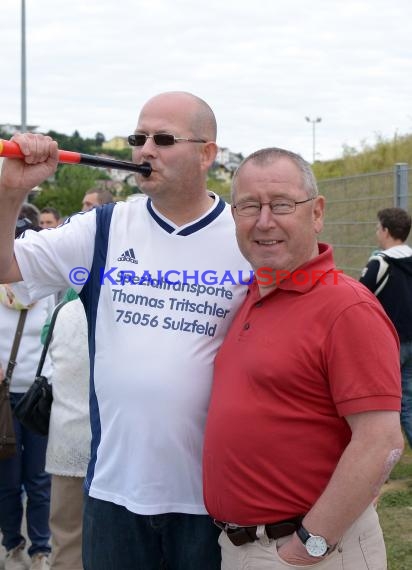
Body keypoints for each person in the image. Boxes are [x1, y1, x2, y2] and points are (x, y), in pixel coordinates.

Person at [0, 91, 250, 570]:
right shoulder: (104, 227)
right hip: (114, 494)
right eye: (138, 138)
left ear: (207, 153)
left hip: (213, 499)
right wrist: (12, 191)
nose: (144, 150)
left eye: (163, 138)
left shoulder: (245, 237)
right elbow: (7, 266)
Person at [202, 147, 404, 569]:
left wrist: (310, 545)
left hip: (308, 551)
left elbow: (381, 440)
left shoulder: (346, 308)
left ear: (316, 213)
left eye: (281, 205)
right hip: (242, 547)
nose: (263, 221)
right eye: (249, 206)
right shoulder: (248, 297)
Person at [0, 210, 54, 570]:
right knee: (6, 480)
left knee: (38, 479)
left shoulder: (47, 289)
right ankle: (12, 544)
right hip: (2, 398)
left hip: (37, 397)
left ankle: (40, 548)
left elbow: (55, 336)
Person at [43, 289, 90, 570]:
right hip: (107, 448)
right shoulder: (118, 313)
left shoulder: (60, 312)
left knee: (66, 540)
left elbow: (43, 345)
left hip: (64, 444)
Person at [360, 207, 412, 448]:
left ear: (386, 231)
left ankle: (377, 457)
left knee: (379, 405)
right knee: (408, 400)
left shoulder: (380, 262)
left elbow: (359, 295)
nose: (376, 232)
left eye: (378, 227)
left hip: (391, 342)